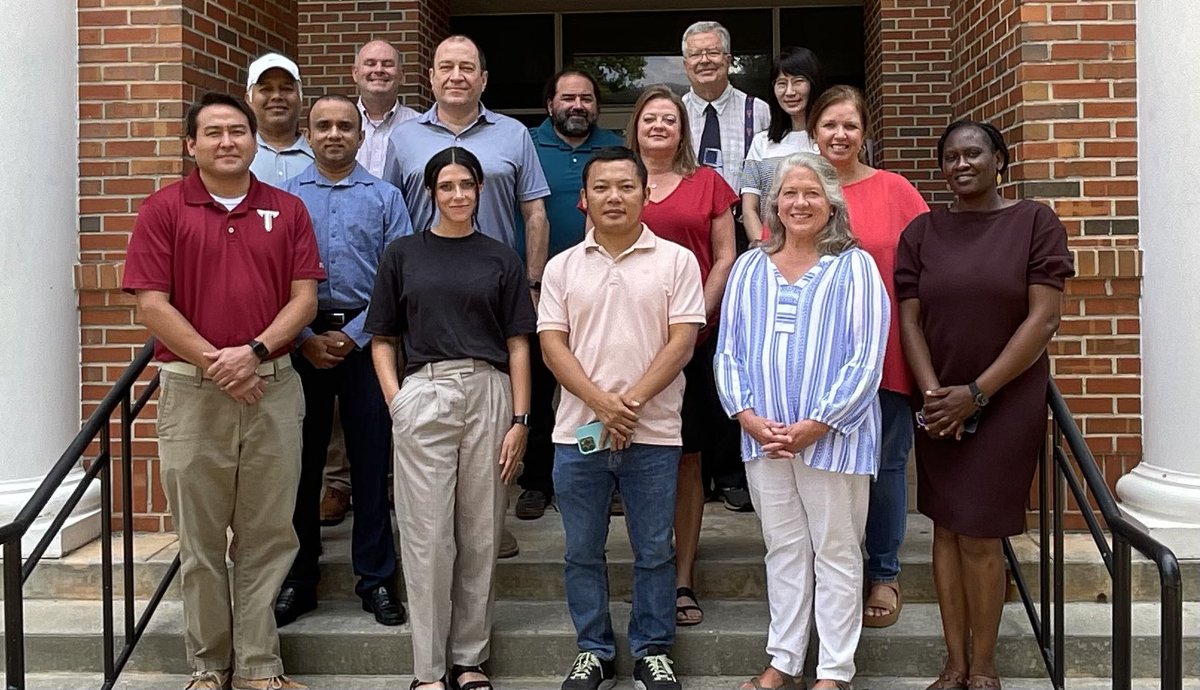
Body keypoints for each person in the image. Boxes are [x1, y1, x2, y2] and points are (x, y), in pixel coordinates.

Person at [122, 92, 324, 690]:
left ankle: (261, 667)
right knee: (202, 540)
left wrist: (254, 353)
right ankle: (209, 668)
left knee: (268, 534)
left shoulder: (287, 210)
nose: (228, 141)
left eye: (238, 130)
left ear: (255, 139)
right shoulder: (163, 210)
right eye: (213, 132)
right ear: (192, 145)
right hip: (194, 393)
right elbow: (151, 305)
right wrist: (218, 363)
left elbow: (304, 299)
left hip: (273, 389)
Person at [895, 121, 1073, 690]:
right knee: (945, 530)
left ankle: (985, 666)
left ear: (1000, 159)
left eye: (973, 153)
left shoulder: (1033, 223)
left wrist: (977, 393)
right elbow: (910, 320)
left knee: (978, 532)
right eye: (949, 156)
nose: (961, 164)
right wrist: (934, 396)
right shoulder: (922, 232)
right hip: (939, 402)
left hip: (1006, 401)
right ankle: (953, 663)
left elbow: (1042, 318)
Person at [715, 152, 889, 690]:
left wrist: (819, 422)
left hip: (833, 439)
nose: (800, 203)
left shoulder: (854, 265)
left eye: (811, 193)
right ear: (772, 205)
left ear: (832, 202)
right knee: (784, 548)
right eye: (789, 194)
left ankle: (834, 672)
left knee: (836, 550)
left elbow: (866, 356)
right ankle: (783, 662)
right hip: (764, 438)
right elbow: (728, 351)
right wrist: (746, 415)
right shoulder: (748, 267)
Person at [367, 146, 535, 690]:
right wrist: (397, 403)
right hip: (425, 390)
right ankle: (428, 671)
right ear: (431, 192)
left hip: (489, 391)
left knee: (482, 531)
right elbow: (383, 339)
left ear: (481, 190)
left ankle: (469, 660)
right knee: (427, 535)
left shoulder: (501, 257)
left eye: (467, 185)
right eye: (447, 186)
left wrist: (520, 419)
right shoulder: (403, 254)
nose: (458, 195)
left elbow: (517, 344)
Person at [541, 146, 704, 690]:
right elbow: (552, 346)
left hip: (653, 434)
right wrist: (602, 405)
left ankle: (653, 650)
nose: (615, 197)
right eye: (602, 188)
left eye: (626, 186)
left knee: (654, 548)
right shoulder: (562, 267)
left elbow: (682, 342)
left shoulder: (677, 261)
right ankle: (594, 649)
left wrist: (625, 404)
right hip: (577, 433)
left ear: (646, 193)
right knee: (581, 549)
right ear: (584, 199)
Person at [275, 94, 413, 629]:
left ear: (361, 136)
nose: (334, 134)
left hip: (367, 341)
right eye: (323, 126)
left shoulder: (385, 198)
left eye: (345, 126)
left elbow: (396, 277)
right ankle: (298, 579)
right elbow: (272, 278)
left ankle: (375, 579)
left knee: (371, 463)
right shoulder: (285, 199)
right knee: (300, 468)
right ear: (308, 135)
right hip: (299, 340)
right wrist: (306, 334)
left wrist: (355, 335)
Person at [809, 85, 930, 629]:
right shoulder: (799, 188)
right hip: (810, 362)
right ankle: (825, 570)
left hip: (885, 355)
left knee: (884, 465)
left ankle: (881, 571)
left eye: (850, 126)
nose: (839, 135)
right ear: (813, 130)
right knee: (818, 469)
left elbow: (930, 267)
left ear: (864, 134)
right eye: (829, 124)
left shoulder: (896, 191)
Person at [625, 84, 737, 626]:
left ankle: (682, 576)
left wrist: (691, 322)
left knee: (687, 456)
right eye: (650, 118)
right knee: (632, 455)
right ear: (637, 127)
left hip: (692, 342)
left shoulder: (708, 183)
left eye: (670, 119)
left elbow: (724, 257)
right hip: (624, 342)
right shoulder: (618, 180)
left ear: (682, 129)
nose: (660, 126)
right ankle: (646, 566)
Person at [515, 68, 624, 521]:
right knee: (540, 387)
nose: (577, 106)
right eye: (568, 98)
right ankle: (537, 482)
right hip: (539, 286)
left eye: (586, 98)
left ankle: (609, 478)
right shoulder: (528, 145)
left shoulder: (614, 145)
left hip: (602, 284)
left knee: (600, 382)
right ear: (550, 105)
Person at [740, 47, 823, 246]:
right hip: (772, 250)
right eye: (781, 83)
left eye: (798, 82)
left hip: (822, 248)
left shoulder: (828, 140)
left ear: (814, 84)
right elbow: (749, 207)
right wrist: (763, 246)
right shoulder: (762, 142)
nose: (789, 92)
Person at [680, 21, 770, 196]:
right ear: (686, 65)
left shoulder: (759, 111)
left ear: (728, 60)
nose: (704, 60)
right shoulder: (674, 114)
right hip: (686, 220)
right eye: (695, 54)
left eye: (713, 53)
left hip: (745, 220)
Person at [353, 39, 421, 178]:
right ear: (355, 73)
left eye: (387, 64)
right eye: (370, 64)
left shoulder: (420, 127)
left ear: (402, 76)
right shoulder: (339, 126)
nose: (378, 70)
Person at [245, 53, 314, 186]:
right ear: (249, 100)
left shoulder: (321, 157)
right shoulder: (236, 154)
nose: (277, 96)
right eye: (266, 89)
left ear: (301, 100)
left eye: (286, 89)